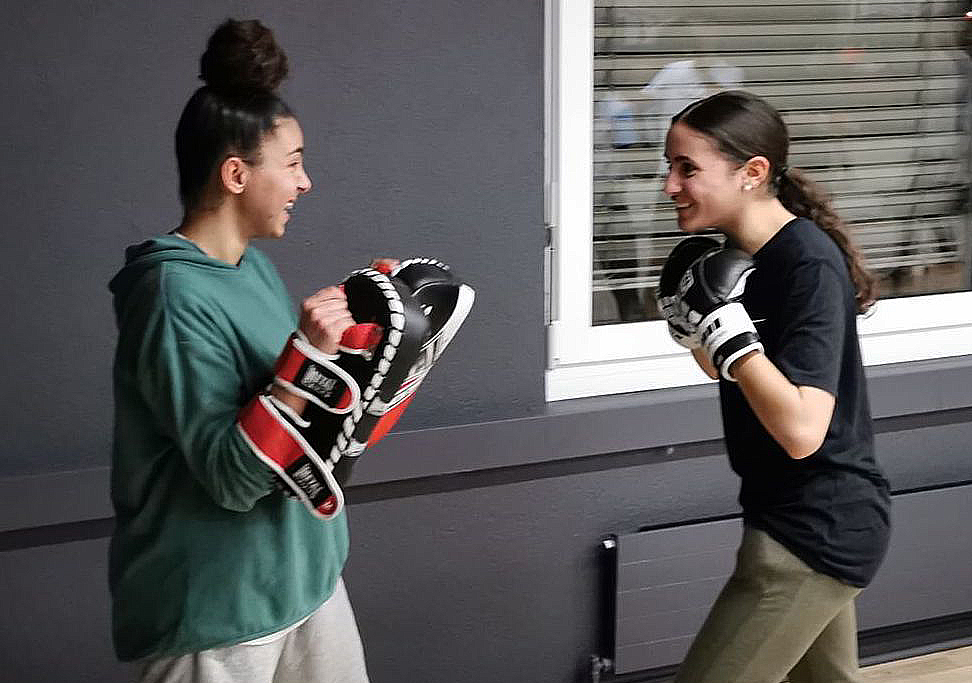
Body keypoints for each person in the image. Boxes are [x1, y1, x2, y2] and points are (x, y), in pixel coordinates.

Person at [108, 18, 376, 683]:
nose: (305, 182)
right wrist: (305, 357)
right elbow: (231, 478)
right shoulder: (170, 296)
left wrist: (369, 333)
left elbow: (296, 420)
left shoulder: (249, 266)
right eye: (292, 163)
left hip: (306, 579)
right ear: (235, 173)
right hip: (215, 613)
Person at [658, 90, 891, 683]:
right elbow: (737, 377)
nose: (670, 185)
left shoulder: (805, 262)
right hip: (782, 513)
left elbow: (802, 430)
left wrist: (727, 333)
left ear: (752, 172)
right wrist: (695, 333)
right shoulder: (741, 259)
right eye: (669, 167)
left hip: (814, 529)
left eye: (688, 168)